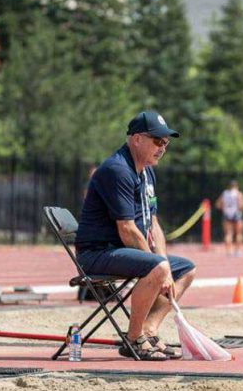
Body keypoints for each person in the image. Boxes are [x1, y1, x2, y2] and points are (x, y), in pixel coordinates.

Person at [74, 111, 196, 361]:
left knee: (185, 270)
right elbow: (127, 228)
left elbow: (153, 223)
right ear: (137, 139)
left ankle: (149, 331)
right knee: (160, 268)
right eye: (158, 141)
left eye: (166, 142)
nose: (163, 148)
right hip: (98, 253)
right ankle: (133, 339)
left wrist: (164, 267)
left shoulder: (147, 171)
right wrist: (158, 266)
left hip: (124, 251)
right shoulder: (117, 170)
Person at [215, 180, 243, 257]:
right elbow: (241, 206)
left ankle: (229, 252)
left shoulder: (224, 193)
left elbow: (218, 205)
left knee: (228, 233)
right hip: (236, 214)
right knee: (238, 233)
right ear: (236, 186)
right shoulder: (238, 194)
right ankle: (238, 251)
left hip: (227, 214)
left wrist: (225, 208)